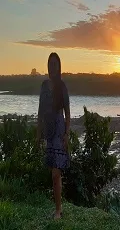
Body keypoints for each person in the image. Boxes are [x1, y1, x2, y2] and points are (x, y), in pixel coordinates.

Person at [37, 52, 70, 220]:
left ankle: (58, 210)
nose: (52, 67)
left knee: (56, 173)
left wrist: (66, 134)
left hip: (58, 130)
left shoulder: (62, 86)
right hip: (48, 132)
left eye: (55, 64)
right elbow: (40, 111)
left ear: (59, 66)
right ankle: (59, 207)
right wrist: (38, 133)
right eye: (50, 64)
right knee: (54, 172)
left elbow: (67, 113)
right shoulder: (44, 85)